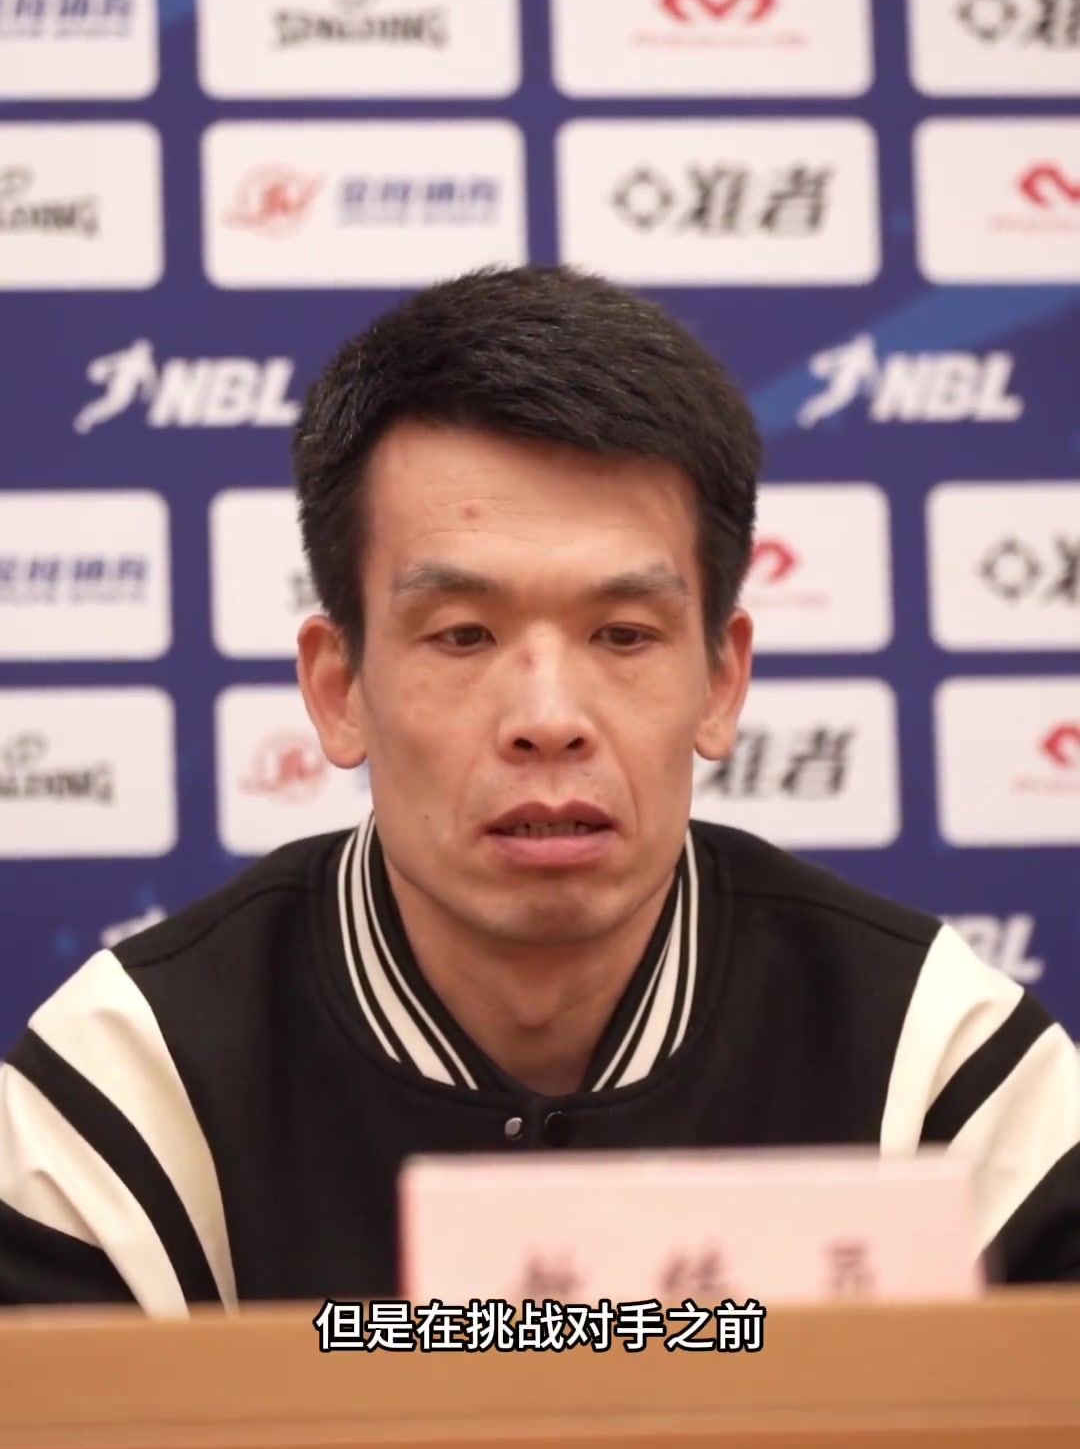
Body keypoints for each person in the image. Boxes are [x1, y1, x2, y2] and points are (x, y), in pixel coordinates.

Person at [1, 265, 1077, 1312]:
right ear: (339, 689)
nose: (549, 717)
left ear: (720, 679)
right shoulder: (136, 1081)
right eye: (464, 635)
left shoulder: (933, 1061)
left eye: (624, 635)